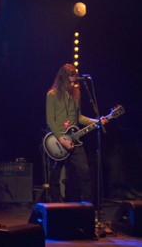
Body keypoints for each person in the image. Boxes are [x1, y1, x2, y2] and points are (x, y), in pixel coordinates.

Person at [46, 63, 108, 203]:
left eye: (75, 76)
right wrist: (62, 140)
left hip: (74, 139)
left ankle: (87, 206)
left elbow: (79, 117)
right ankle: (58, 206)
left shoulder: (75, 95)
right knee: (54, 177)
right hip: (58, 140)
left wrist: (97, 121)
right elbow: (50, 120)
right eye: (71, 76)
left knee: (85, 172)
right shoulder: (52, 95)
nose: (74, 79)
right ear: (63, 77)